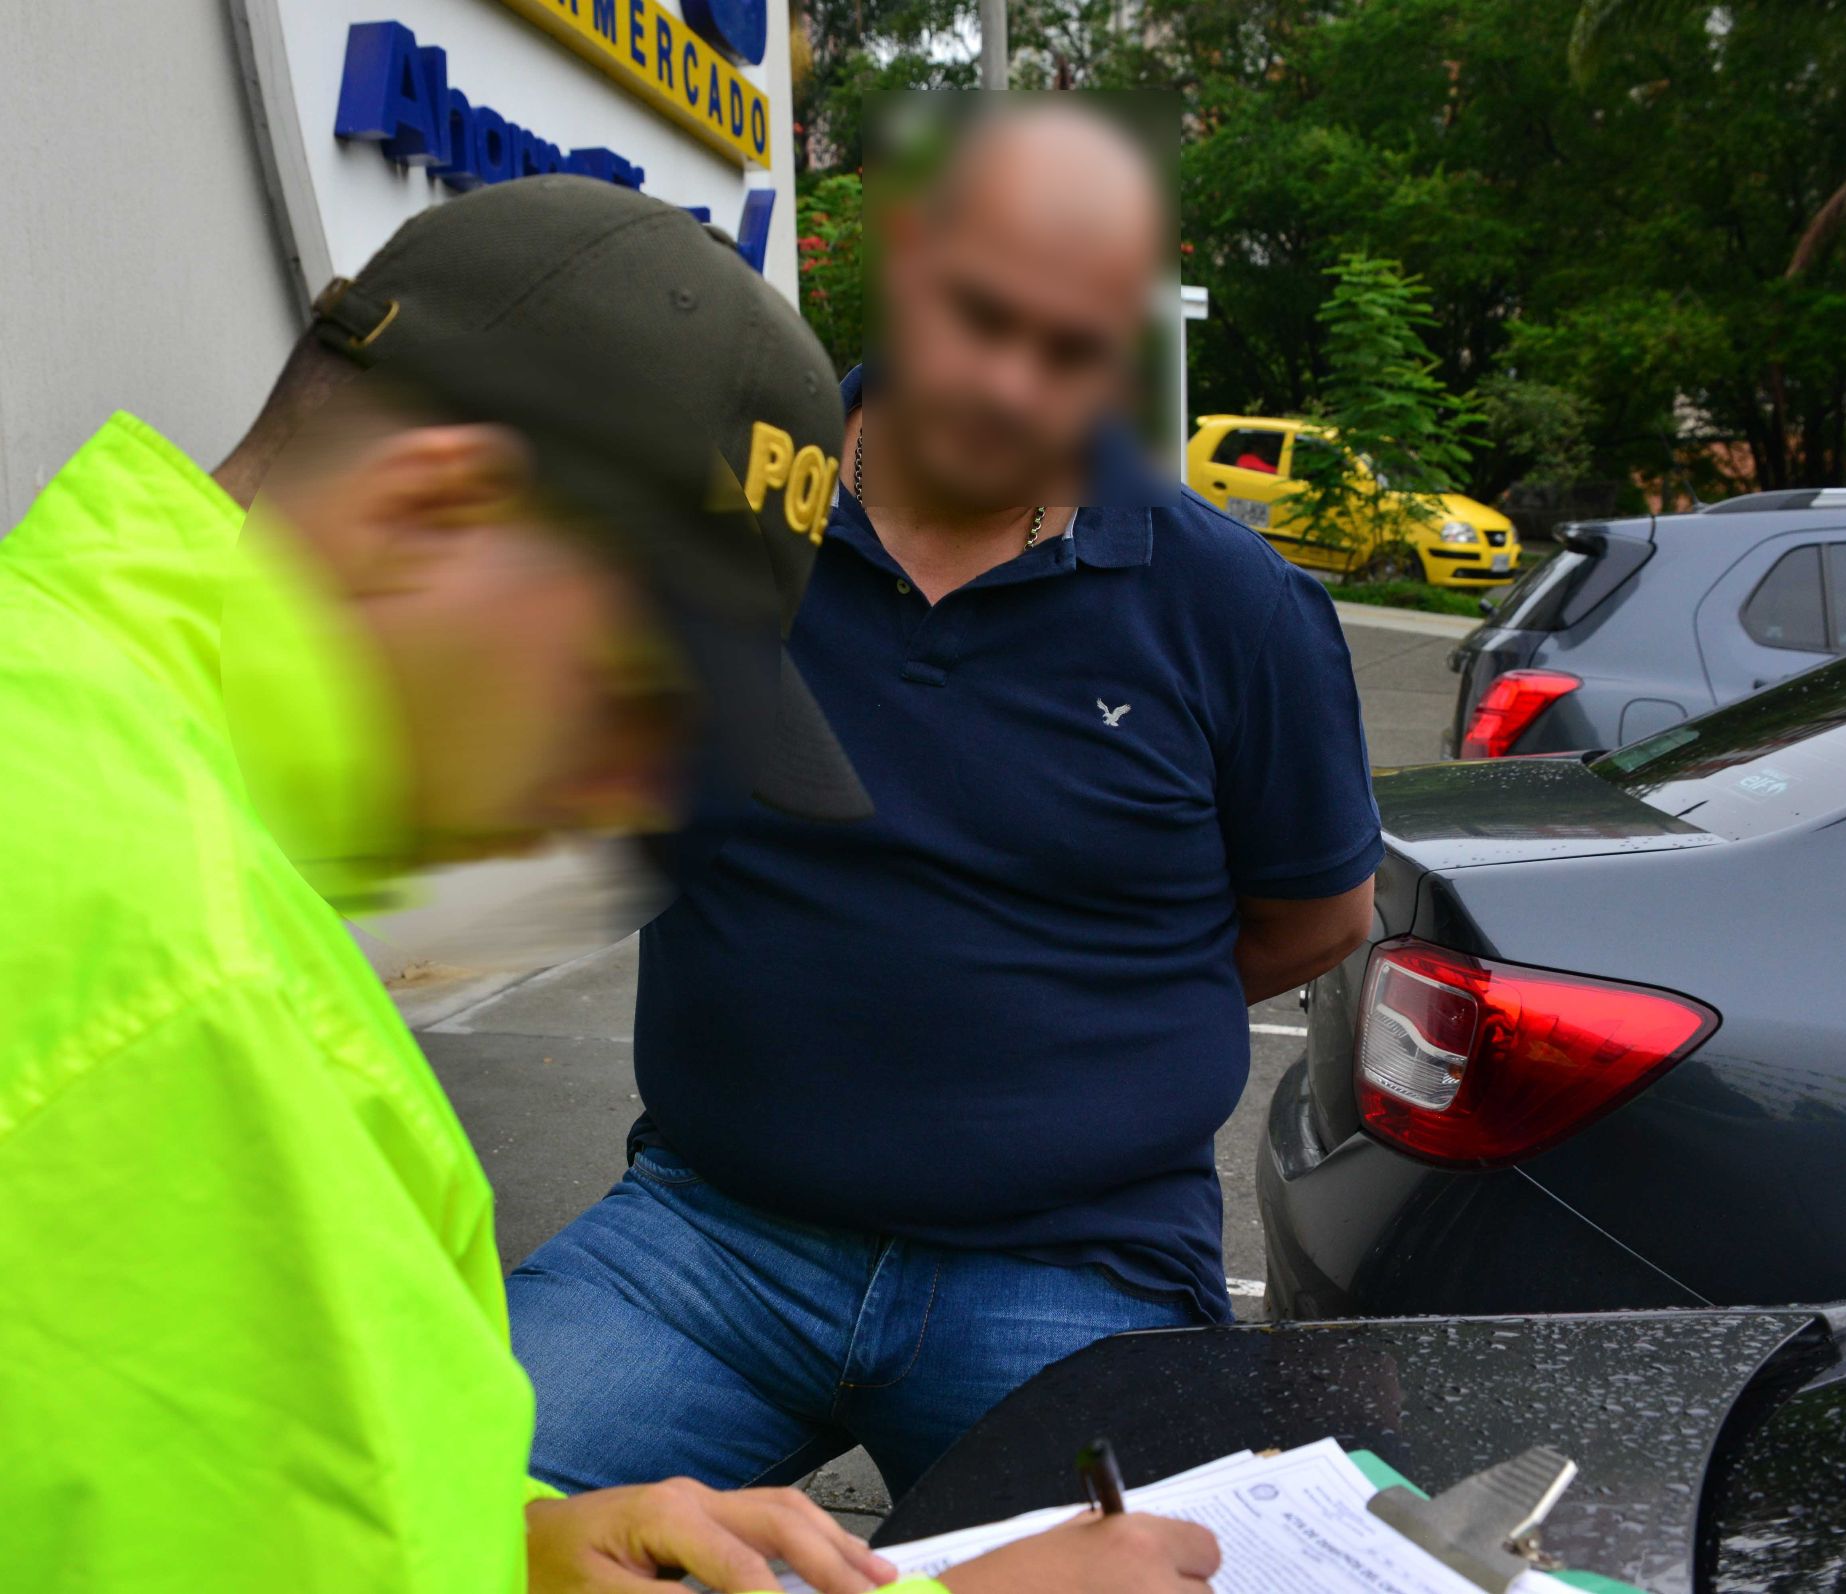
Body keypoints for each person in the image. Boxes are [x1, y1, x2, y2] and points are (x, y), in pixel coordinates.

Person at [0, 175, 1219, 1594]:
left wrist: (501, 1537)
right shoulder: (191, 989)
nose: (626, 794)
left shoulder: (84, 751)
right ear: (429, 513)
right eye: (627, 697)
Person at [509, 101, 1384, 1498]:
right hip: (712, 1237)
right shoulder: (720, 521)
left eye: (1077, 350)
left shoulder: (1233, 607)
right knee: (408, 1509)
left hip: (1077, 1269)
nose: (1021, 386)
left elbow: (1316, 916)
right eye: (984, 319)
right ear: (905, 258)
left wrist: (1080, 1010)